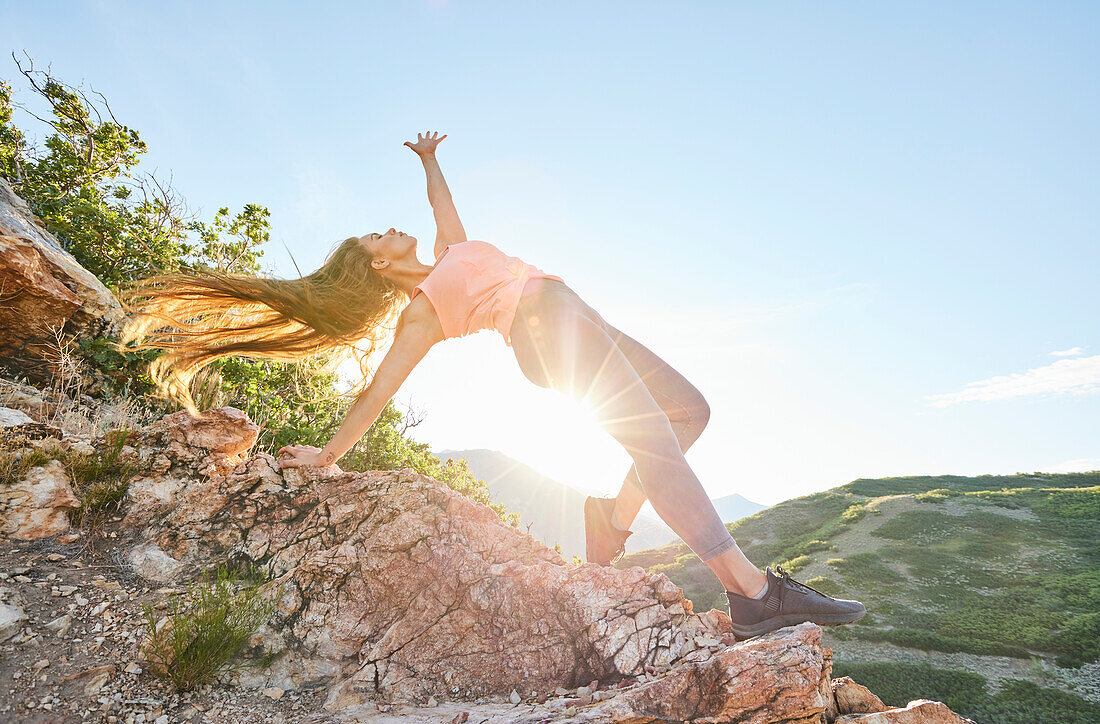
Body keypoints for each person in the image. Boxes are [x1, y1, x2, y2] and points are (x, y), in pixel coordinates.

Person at [118, 131, 864, 640]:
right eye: (376, 237)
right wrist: (329, 453)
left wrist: (428, 159)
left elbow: (445, 212)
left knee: (688, 412)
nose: (388, 231)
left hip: (576, 309)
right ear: (373, 266)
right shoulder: (421, 313)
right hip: (545, 330)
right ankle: (751, 592)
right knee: (654, 437)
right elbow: (379, 390)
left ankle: (611, 513)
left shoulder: (450, 250)